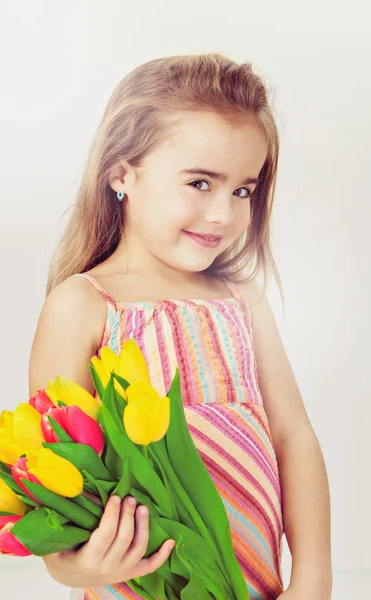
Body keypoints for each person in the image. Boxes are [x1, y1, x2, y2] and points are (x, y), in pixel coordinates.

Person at [28, 53, 332, 600]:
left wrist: (312, 577)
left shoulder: (244, 302)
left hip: (255, 584)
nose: (224, 214)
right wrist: (72, 569)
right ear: (122, 173)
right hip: (137, 587)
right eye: (199, 183)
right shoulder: (84, 304)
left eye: (243, 190)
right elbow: (53, 468)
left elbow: (294, 437)